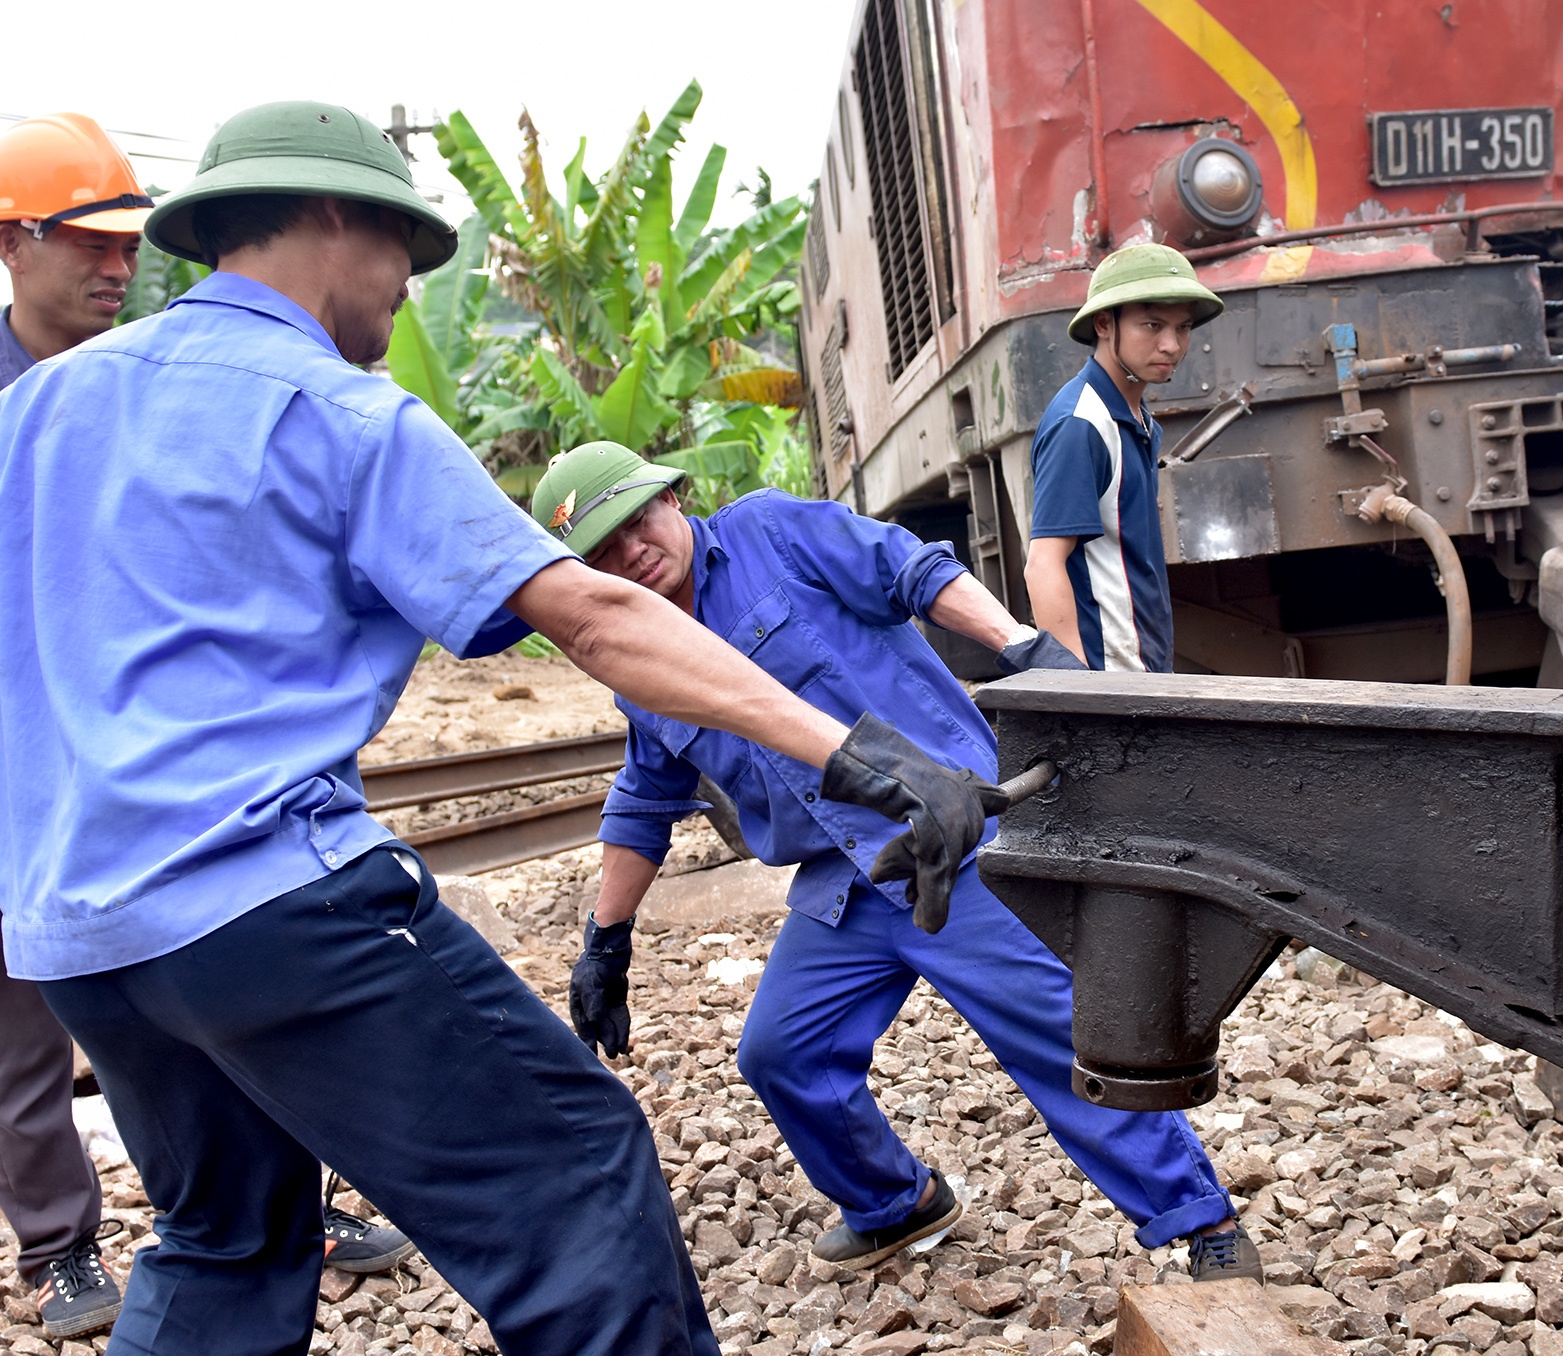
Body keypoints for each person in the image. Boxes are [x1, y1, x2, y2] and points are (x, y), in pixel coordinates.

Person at [0, 102, 992, 1356]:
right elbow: (599, 617)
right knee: (577, 1177)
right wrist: (852, 750)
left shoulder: (31, 412)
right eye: (409, 249)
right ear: (340, 220)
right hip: (263, 907)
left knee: (225, 1243)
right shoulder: (343, 414)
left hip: (80, 940)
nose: (408, 289)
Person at [530, 441, 1265, 1283]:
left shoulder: (770, 531)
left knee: (1060, 1036)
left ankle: (1199, 1220)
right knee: (782, 1054)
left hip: (954, 837)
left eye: (637, 521)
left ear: (673, 499)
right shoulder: (637, 651)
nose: (630, 552)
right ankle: (895, 1205)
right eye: (601, 550)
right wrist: (605, 941)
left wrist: (1018, 644)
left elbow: (910, 569)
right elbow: (646, 798)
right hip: (841, 882)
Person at [0, 114, 418, 1342]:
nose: (118, 266)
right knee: (28, 1025)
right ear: (12, 244)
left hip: (187, 774)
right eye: (89, 243)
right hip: (18, 784)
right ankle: (61, 1252)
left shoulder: (167, 373)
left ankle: (295, 1201)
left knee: (251, 987)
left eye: (130, 242)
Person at [1024, 243, 1222, 673]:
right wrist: (1076, 689)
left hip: (1140, 672)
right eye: (1152, 325)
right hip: (1110, 679)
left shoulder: (1135, 417)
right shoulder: (1081, 424)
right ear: (1103, 323)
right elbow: (1043, 563)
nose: (1171, 345)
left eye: (1183, 328)